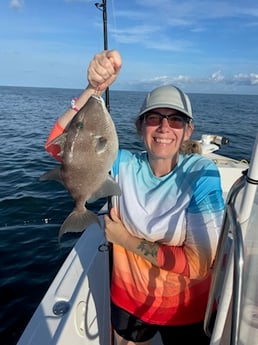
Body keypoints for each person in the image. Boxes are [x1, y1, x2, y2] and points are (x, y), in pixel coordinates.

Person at [45, 50, 225, 345]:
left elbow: (199, 264)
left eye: (176, 120)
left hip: (188, 308)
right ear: (140, 127)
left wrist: (125, 240)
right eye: (154, 118)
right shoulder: (121, 162)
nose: (165, 127)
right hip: (128, 301)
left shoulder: (201, 173)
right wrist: (94, 89)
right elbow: (57, 147)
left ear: (188, 129)